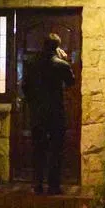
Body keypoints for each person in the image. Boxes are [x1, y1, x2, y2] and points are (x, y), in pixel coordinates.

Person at [21, 32, 75, 195]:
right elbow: (71, 82)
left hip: (37, 112)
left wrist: (32, 103)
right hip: (55, 112)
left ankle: (37, 184)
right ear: (57, 47)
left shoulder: (30, 63)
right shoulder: (61, 64)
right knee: (56, 149)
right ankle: (53, 185)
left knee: (38, 149)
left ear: (43, 45)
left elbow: (25, 87)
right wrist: (65, 61)